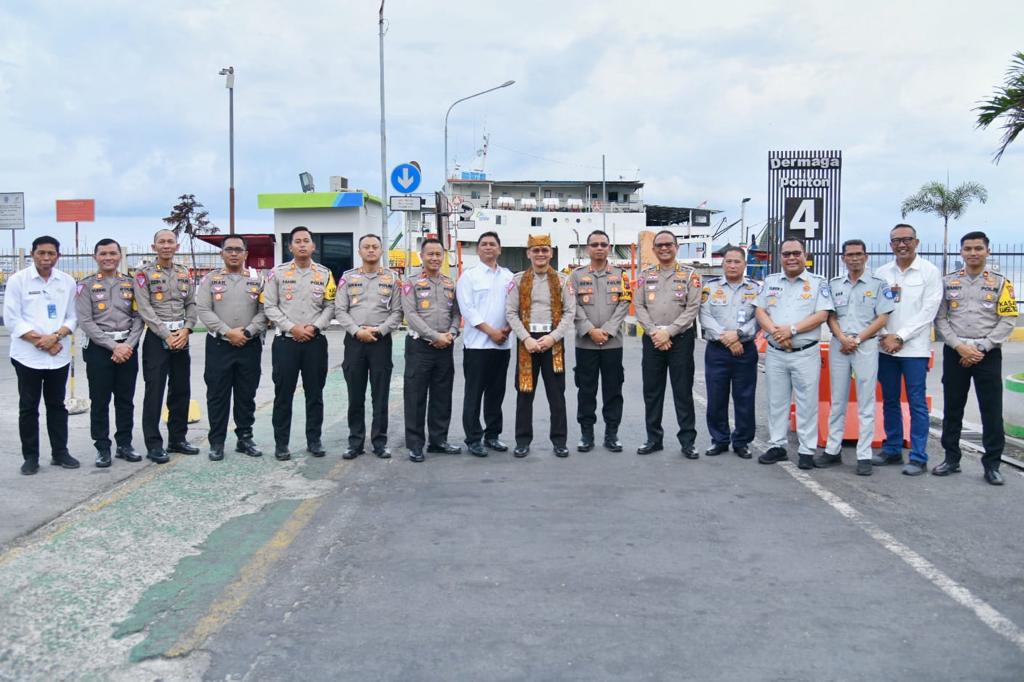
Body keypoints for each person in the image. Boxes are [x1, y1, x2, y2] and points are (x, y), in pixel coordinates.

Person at [933, 231, 1016, 485]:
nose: (972, 253)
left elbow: (1009, 318)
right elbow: (940, 318)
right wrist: (959, 346)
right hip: (955, 351)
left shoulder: (1001, 283)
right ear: (961, 252)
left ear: (987, 251)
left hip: (987, 354)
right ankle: (951, 458)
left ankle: (992, 465)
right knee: (953, 407)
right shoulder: (947, 282)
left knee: (991, 410)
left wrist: (981, 347)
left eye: (978, 248)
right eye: (967, 248)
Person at [754, 237, 832, 469]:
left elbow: (822, 315)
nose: (791, 258)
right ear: (780, 257)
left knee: (807, 402)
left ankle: (807, 449)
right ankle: (777, 445)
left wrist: (792, 330)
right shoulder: (770, 281)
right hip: (776, 352)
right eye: (786, 254)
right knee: (776, 401)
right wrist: (777, 334)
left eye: (796, 253)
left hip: (805, 352)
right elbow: (760, 311)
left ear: (805, 255)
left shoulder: (818, 282)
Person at [819, 239, 894, 476]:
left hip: (866, 345)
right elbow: (829, 315)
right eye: (850, 254)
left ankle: (864, 455)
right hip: (840, 344)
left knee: (866, 400)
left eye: (858, 254)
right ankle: (833, 450)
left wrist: (857, 340)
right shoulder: (834, 284)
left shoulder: (879, 284)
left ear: (866, 256)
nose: (854, 258)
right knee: (837, 399)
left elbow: (882, 318)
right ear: (843, 258)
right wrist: (842, 338)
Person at [4, 236, 78, 475]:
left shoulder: (66, 282)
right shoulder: (18, 281)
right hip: (28, 356)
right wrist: (43, 342)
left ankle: (60, 452)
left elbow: (72, 317)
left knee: (57, 405)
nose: (46, 258)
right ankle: (31, 457)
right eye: (41, 253)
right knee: (28, 407)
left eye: (51, 254)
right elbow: (13, 319)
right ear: (33, 254)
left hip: (58, 355)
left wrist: (55, 337)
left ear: (58, 256)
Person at [263, 226, 336, 461]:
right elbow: (270, 307)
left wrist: (314, 328)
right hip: (286, 342)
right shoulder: (277, 273)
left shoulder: (325, 274)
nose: (302, 245)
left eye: (306, 241)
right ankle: (281, 443)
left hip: (315, 342)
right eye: (298, 241)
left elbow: (330, 305)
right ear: (290, 246)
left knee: (315, 394)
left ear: (313, 246)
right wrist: (291, 328)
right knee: (283, 394)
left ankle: (314, 441)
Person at [875, 224, 943, 476]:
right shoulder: (882, 273)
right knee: (889, 400)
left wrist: (900, 336)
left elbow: (929, 311)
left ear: (917, 242)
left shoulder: (929, 272)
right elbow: (876, 308)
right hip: (885, 349)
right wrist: (884, 336)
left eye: (907, 240)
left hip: (914, 349)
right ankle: (892, 448)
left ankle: (918, 456)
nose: (901, 245)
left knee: (916, 403)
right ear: (890, 244)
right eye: (896, 241)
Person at [196, 235, 268, 461]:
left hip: (249, 344)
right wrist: (228, 332)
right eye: (229, 250)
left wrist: (247, 332)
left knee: (246, 394)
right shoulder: (210, 279)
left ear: (246, 254)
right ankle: (216, 442)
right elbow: (204, 310)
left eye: (239, 249)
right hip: (220, 344)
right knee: (217, 395)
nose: (234, 253)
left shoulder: (259, 279)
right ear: (222, 254)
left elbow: (265, 310)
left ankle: (245, 438)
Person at [506, 234, 576, 458]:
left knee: (557, 394)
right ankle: (522, 441)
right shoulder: (518, 280)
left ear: (551, 253)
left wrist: (553, 337)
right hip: (527, 340)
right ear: (528, 253)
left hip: (552, 342)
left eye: (544, 250)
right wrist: (526, 338)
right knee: (525, 393)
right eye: (535, 250)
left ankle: (559, 441)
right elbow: (511, 312)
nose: (540, 254)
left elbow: (569, 312)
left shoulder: (563, 281)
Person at [633, 230, 702, 458]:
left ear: (676, 247)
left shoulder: (691, 275)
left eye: (668, 245)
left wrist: (669, 333)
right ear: (653, 250)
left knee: (682, 391)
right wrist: (655, 333)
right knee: (652, 392)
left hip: (680, 340)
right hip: (653, 339)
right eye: (659, 245)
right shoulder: (645, 275)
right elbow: (639, 306)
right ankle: (653, 439)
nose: (664, 249)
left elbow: (692, 308)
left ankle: (687, 441)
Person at [76, 238, 144, 468]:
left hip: (127, 347)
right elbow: (85, 321)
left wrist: (128, 345)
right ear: (95, 257)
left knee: (125, 400)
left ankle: (124, 444)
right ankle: (102, 447)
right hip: (99, 350)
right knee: (100, 400)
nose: (108, 258)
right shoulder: (85, 286)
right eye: (103, 254)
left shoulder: (131, 284)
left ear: (119, 256)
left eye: (112, 253)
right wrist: (113, 346)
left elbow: (139, 317)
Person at [336, 234, 403, 460]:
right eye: (367, 247)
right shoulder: (347, 278)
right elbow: (340, 311)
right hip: (354, 342)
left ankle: (379, 442)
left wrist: (380, 330)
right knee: (355, 395)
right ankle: (355, 442)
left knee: (380, 395)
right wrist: (357, 331)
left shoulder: (393, 278)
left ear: (382, 251)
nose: (371, 250)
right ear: (359, 251)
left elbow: (397, 312)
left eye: (375, 247)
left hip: (380, 341)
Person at [134, 229, 198, 463]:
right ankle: (153, 444)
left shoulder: (184, 273)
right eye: (161, 242)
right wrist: (166, 334)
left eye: (170, 242)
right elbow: (144, 308)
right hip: (156, 339)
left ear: (177, 246)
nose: (166, 246)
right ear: (154, 247)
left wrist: (186, 329)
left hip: (181, 337)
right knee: (155, 392)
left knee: (181, 390)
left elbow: (191, 304)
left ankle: (177, 439)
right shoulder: (143, 274)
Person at [400, 238, 462, 462]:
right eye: (430, 254)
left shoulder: (449, 282)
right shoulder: (411, 282)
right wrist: (435, 336)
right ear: (422, 256)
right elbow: (411, 314)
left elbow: (456, 312)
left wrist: (452, 333)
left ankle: (439, 440)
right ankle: (415, 444)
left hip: (445, 346)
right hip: (419, 347)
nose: (434, 258)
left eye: (438, 254)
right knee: (416, 396)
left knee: (442, 395)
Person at [571, 229, 631, 452]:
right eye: (594, 244)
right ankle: (587, 434)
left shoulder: (620, 275)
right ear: (587, 248)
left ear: (609, 248)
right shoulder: (576, 276)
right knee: (586, 390)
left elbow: (624, 303)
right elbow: (572, 305)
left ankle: (611, 434)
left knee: (613, 390)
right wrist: (589, 329)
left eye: (603, 244)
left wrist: (607, 330)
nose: (599, 248)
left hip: (612, 344)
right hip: (585, 344)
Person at [455, 231, 514, 457]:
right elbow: (467, 309)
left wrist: (507, 330)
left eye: (493, 244)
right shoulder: (469, 277)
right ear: (478, 250)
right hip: (477, 346)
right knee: (474, 394)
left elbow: (515, 307)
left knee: (496, 394)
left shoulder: (508, 276)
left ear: (499, 249)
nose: (488, 247)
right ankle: (473, 438)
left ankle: (492, 436)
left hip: (502, 345)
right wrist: (491, 331)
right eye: (484, 244)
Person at [698, 245, 759, 459]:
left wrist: (739, 334)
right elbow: (705, 316)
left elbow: (759, 317)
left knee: (744, 397)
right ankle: (719, 440)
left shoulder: (755, 288)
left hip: (745, 349)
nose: (732, 265)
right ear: (722, 264)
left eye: (737, 261)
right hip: (717, 350)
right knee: (716, 397)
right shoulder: (710, 287)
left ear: (744, 264)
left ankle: (742, 441)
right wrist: (727, 337)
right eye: (728, 261)